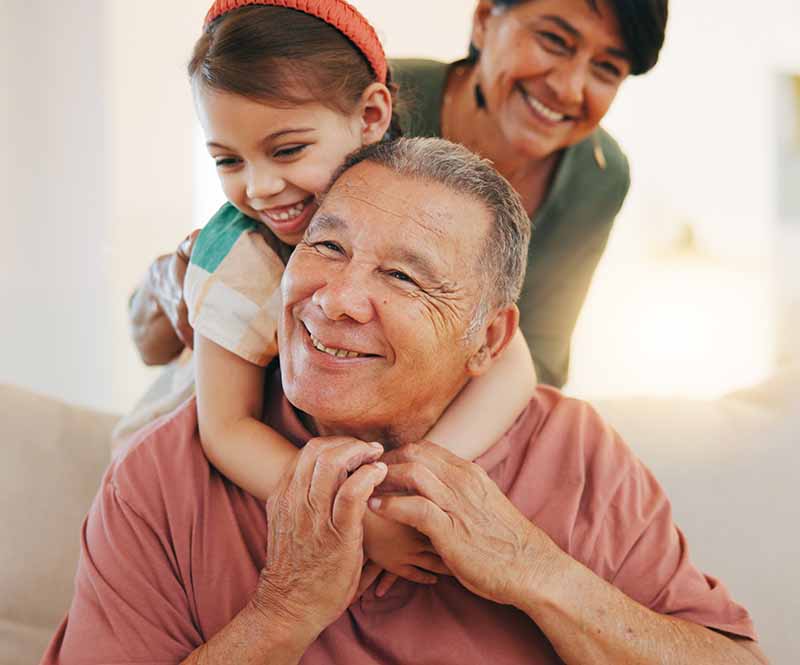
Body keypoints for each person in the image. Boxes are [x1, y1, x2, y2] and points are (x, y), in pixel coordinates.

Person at [42, 138, 767, 664]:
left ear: (488, 339)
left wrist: (536, 571)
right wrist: (285, 609)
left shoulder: (574, 452)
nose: (337, 299)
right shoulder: (165, 472)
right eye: (325, 247)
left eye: (405, 278)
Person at [128, 0, 536, 596]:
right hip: (187, 454)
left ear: (371, 116)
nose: (261, 186)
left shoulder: (418, 202)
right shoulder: (233, 256)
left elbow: (513, 370)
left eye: (288, 150)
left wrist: (406, 487)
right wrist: (364, 524)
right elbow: (228, 429)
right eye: (227, 160)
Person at [130, 0, 669, 389]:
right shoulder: (353, 105)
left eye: (607, 67)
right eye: (555, 40)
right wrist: (171, 284)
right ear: (485, 18)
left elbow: (541, 358)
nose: (570, 87)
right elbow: (234, 259)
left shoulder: (599, 174)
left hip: (439, 402)